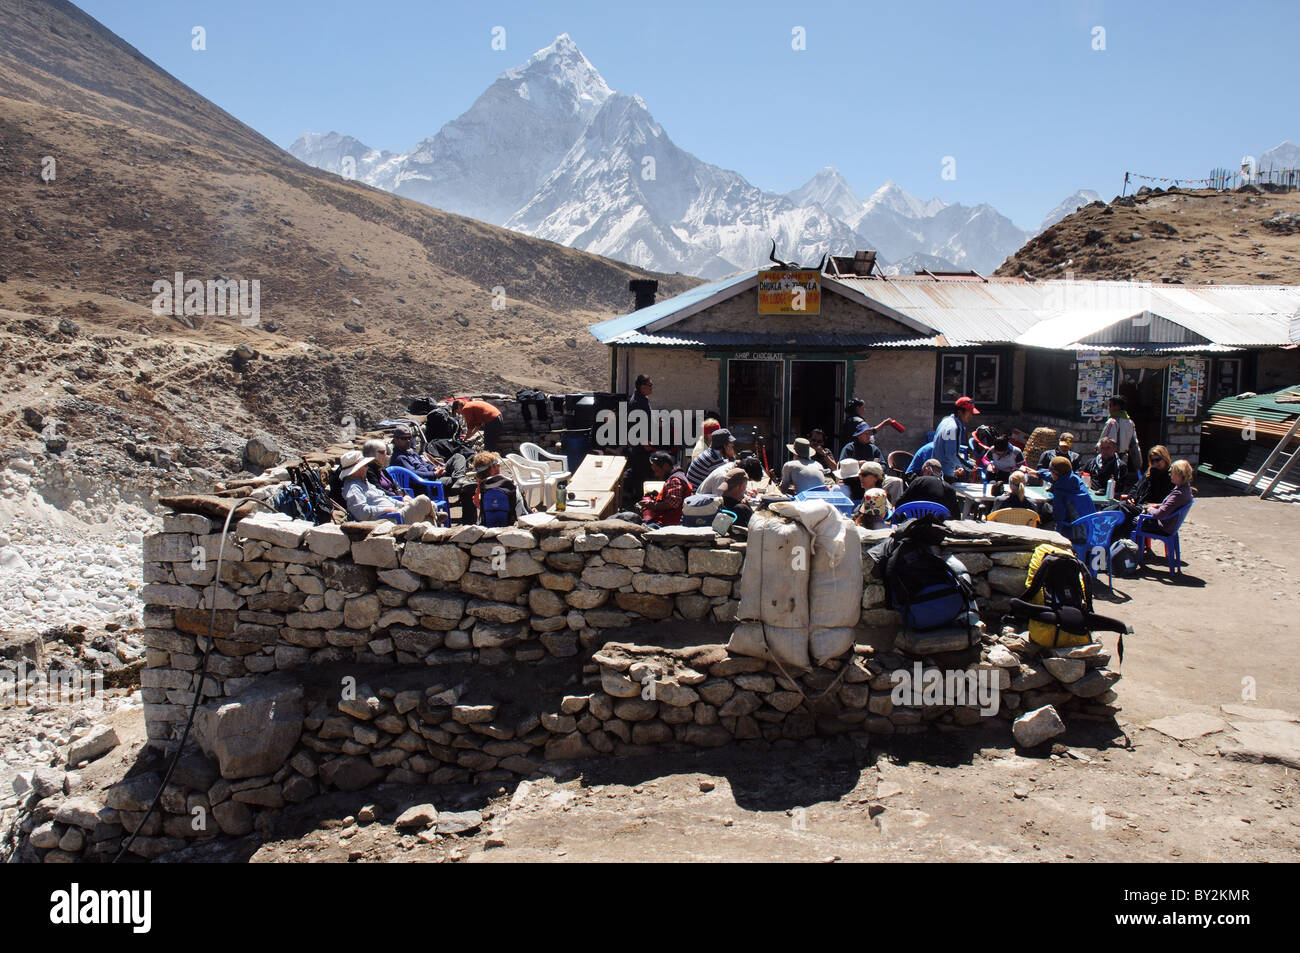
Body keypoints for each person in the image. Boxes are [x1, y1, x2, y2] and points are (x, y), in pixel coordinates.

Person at [339, 449, 433, 523]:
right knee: (423, 501)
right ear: (357, 469)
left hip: (396, 512)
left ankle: (434, 521)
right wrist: (385, 510)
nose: (367, 467)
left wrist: (401, 504)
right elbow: (361, 512)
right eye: (365, 465)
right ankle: (435, 516)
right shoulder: (353, 488)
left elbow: (384, 497)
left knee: (429, 508)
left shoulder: (365, 483)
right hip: (389, 519)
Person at [389, 424, 467, 503]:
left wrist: (434, 468)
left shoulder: (410, 452)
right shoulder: (399, 458)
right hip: (427, 484)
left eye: (409, 438)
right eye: (404, 438)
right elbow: (414, 474)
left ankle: (459, 478)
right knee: (467, 484)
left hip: (433, 477)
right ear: (396, 440)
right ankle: (460, 480)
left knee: (458, 457)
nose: (408, 441)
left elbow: (424, 464)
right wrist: (434, 474)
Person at [1114, 445, 1173, 540]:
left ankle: (1118, 542)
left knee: (1119, 510)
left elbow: (1158, 496)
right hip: (1137, 504)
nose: (1155, 463)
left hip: (1148, 509)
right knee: (1116, 508)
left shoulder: (1169, 477)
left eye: (1157, 460)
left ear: (1165, 458)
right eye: (1152, 460)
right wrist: (1131, 497)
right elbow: (1136, 487)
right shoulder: (1150, 472)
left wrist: (1154, 475)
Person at [1037, 455, 1096, 533]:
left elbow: (1058, 516)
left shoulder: (1060, 490)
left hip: (1076, 531)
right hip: (1091, 526)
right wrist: (1038, 474)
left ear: (1054, 473)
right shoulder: (1075, 479)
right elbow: (1056, 477)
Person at [470, 451, 529, 525]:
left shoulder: (482, 489)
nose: (499, 466)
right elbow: (522, 514)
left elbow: (478, 505)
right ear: (494, 468)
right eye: (498, 464)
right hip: (508, 528)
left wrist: (479, 483)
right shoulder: (511, 484)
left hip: (487, 529)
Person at [1140, 459, 1194, 535]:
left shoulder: (1178, 494)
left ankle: (1129, 545)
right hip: (1169, 525)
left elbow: (1160, 514)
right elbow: (1171, 506)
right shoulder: (1185, 488)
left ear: (1179, 475)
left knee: (1132, 522)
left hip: (1163, 527)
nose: (1170, 475)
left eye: (1172, 473)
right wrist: (1157, 505)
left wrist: (1150, 509)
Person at [933, 396, 979, 479]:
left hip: (937, 471)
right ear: (960, 412)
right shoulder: (954, 428)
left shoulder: (945, 421)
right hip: (945, 474)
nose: (971, 416)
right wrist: (968, 466)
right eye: (969, 412)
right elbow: (951, 454)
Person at [896, 458, 960, 518]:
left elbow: (899, 503)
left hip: (915, 524)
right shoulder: (949, 488)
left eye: (923, 471)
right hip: (937, 526)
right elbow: (956, 515)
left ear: (927, 470)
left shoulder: (919, 481)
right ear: (940, 472)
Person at [641, 450, 690, 526]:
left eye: (657, 470)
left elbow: (673, 503)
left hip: (671, 523)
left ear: (666, 466)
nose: (656, 474)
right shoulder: (679, 476)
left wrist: (653, 505)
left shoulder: (674, 480)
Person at [625, 374, 655, 501]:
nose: (652, 387)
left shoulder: (642, 399)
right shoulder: (637, 402)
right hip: (639, 445)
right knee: (640, 474)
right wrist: (643, 442)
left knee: (642, 472)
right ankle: (636, 501)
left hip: (641, 444)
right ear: (642, 387)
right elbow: (635, 424)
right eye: (650, 385)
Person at [1100, 395, 1141, 466]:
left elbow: (1106, 442)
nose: (1109, 408)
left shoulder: (1112, 422)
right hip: (1124, 458)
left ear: (1117, 407)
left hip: (1110, 459)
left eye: (1110, 406)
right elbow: (1134, 445)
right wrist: (1138, 463)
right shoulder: (1130, 422)